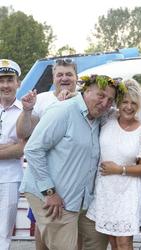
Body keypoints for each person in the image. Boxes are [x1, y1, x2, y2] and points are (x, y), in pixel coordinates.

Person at [19, 75, 117, 249]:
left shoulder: (98, 117)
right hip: (53, 197)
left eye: (110, 99)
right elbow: (33, 149)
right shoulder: (63, 111)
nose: (105, 103)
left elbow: (128, 106)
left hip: (82, 201)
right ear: (86, 91)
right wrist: (50, 192)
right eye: (101, 96)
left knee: (97, 242)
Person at [86, 79, 141, 250]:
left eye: (134, 103)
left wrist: (119, 169)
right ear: (118, 102)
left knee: (124, 242)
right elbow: (89, 103)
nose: (129, 107)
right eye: (125, 102)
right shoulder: (107, 118)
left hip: (128, 191)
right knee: (114, 242)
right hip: (106, 189)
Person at [16, 58, 78, 250]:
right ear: (53, 77)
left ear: (77, 77)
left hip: (72, 180)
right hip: (43, 179)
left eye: (69, 74)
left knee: (73, 233)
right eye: (60, 74)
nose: (64, 78)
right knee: (42, 229)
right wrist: (27, 110)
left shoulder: (84, 100)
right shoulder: (42, 99)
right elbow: (23, 133)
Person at [0, 59, 25, 249]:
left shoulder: (25, 111)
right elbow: (15, 147)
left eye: (9, 80)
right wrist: (9, 148)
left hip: (9, 178)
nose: (5, 85)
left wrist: (14, 148)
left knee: (3, 233)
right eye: (1, 80)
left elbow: (22, 148)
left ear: (18, 82)